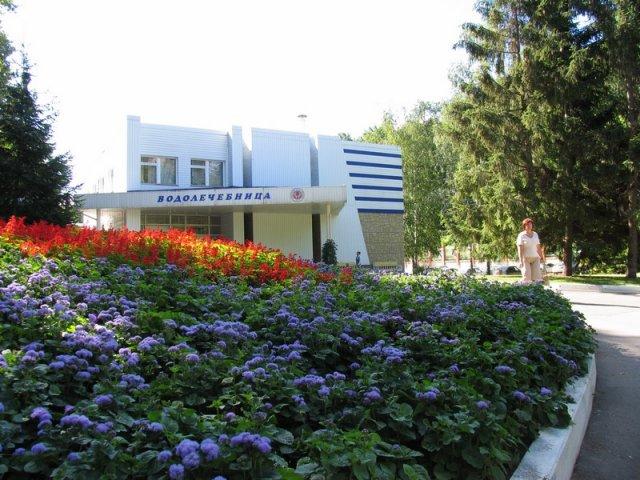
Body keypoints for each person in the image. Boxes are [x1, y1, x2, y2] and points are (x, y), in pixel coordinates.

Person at [516, 218, 543, 284]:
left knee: (537, 278)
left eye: (530, 224)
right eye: (527, 224)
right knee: (526, 278)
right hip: (526, 258)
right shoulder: (521, 235)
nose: (529, 226)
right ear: (524, 226)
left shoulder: (535, 234)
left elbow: (538, 247)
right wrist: (520, 260)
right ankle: (522, 287)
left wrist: (541, 257)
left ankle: (537, 289)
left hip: (535, 258)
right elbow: (520, 249)